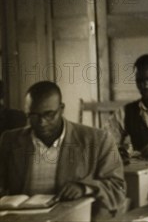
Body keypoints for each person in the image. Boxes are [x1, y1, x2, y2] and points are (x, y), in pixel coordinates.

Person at [0, 81, 126, 218]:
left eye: (49, 114)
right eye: (33, 116)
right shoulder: (10, 140)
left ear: (62, 109)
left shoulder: (97, 140)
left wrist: (84, 188)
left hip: (71, 218)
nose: (42, 122)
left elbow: (117, 188)